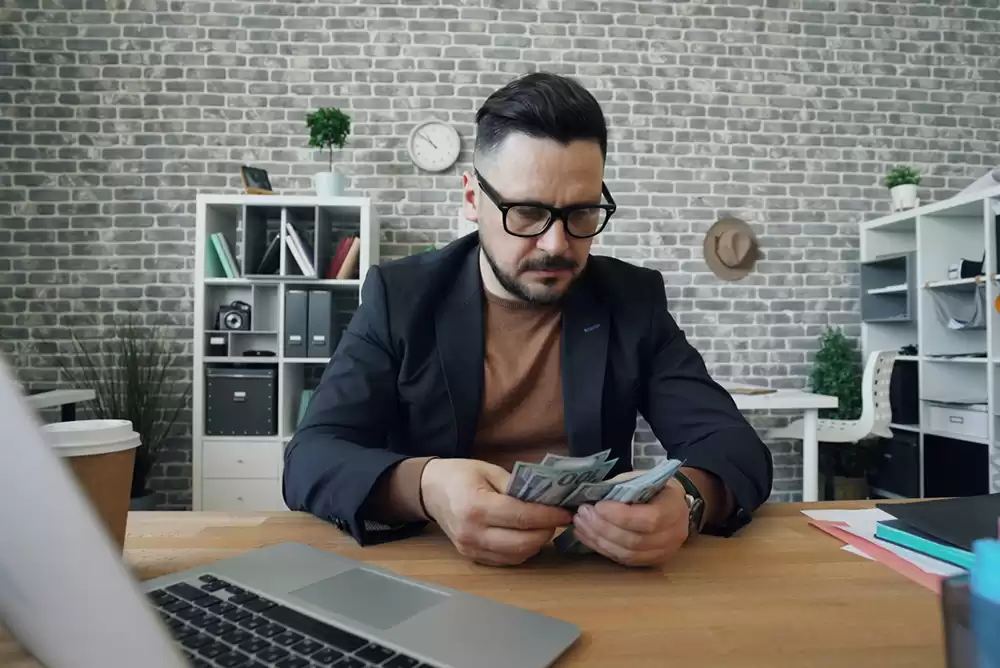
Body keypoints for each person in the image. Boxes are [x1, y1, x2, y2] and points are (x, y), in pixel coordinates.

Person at [283, 72, 773, 568]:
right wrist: (427, 486)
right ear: (473, 199)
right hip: (434, 572)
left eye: (582, 213)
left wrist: (688, 499)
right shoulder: (401, 296)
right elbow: (311, 457)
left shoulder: (632, 300)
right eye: (526, 212)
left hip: (593, 576)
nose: (557, 244)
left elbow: (733, 445)